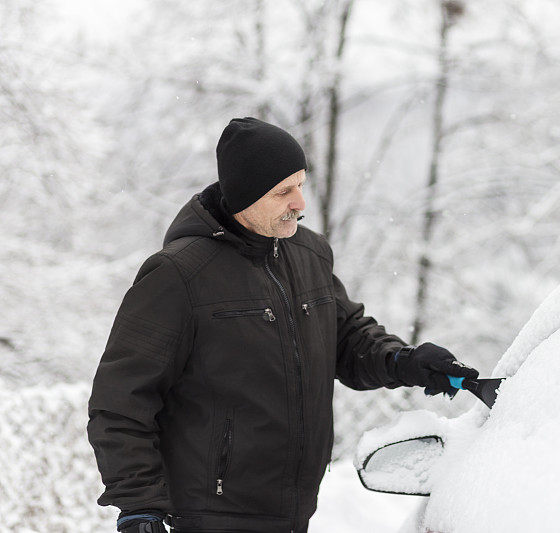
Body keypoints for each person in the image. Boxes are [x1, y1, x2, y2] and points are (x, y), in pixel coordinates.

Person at [87, 117, 479, 533]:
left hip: (294, 512)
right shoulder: (179, 274)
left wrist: (405, 360)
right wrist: (138, 507)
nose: (300, 203)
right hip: (209, 516)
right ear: (244, 196)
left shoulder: (309, 254)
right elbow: (120, 402)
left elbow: (347, 339)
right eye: (283, 192)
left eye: (301, 185)